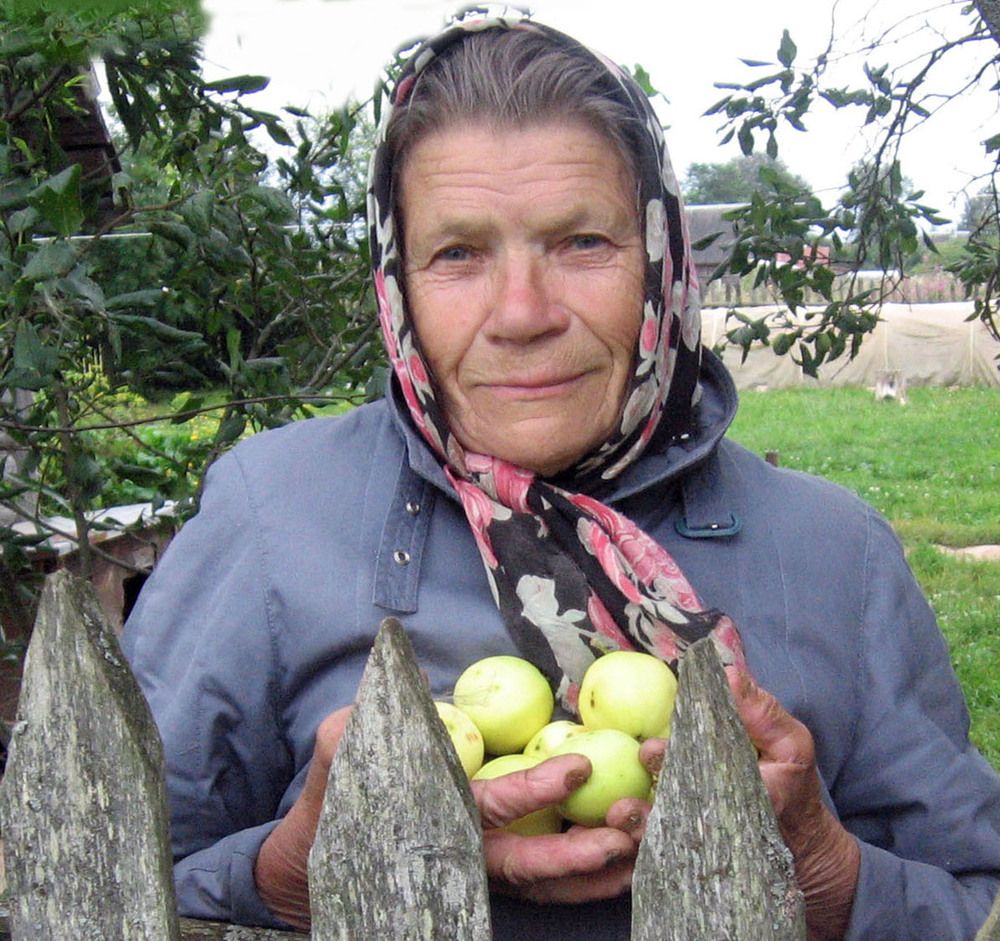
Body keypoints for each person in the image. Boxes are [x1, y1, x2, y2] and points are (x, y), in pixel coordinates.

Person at [121, 12, 1000, 941]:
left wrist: (822, 871)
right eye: (458, 253)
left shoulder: (835, 551)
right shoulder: (272, 513)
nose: (523, 313)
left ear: (662, 259)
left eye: (582, 242)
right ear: (397, 279)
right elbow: (105, 888)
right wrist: (298, 873)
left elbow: (972, 902)